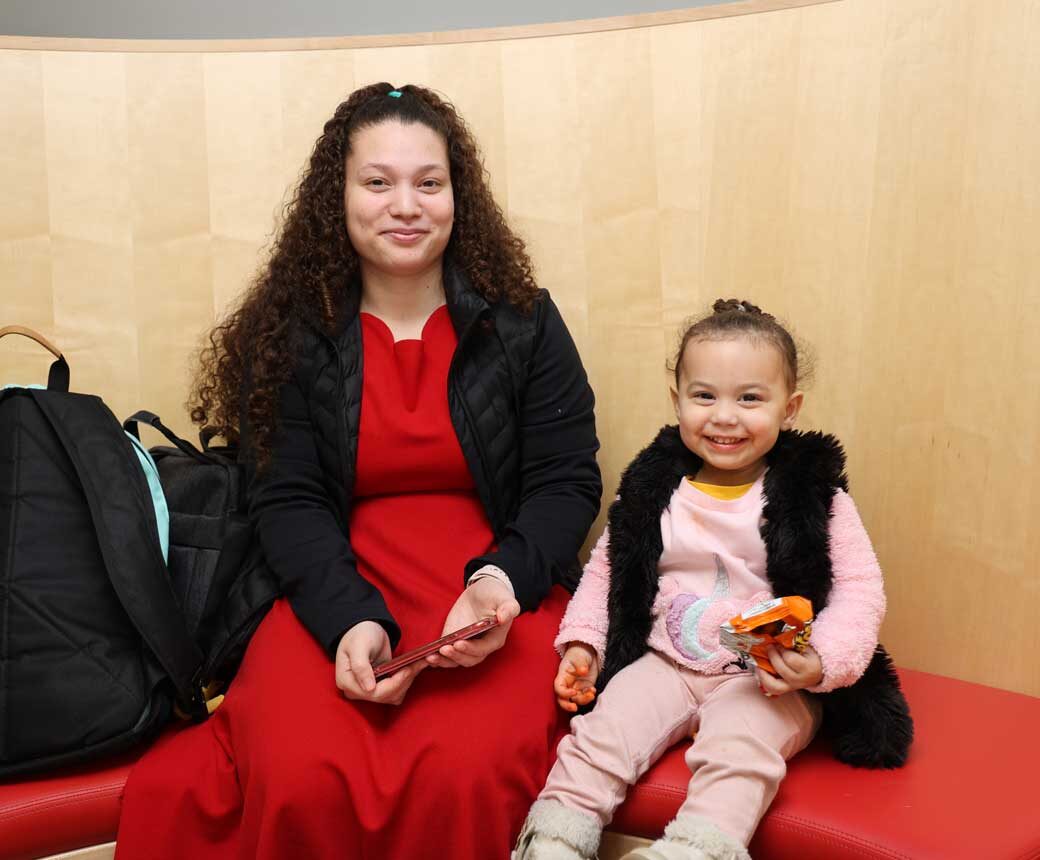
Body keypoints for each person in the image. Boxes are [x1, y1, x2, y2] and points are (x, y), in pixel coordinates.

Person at [115, 82, 601, 859]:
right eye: (378, 182)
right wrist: (350, 618)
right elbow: (287, 499)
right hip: (327, 581)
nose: (404, 204)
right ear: (336, 196)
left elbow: (566, 481)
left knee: (464, 771)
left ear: (457, 195)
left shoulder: (525, 318)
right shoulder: (293, 330)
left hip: (499, 587)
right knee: (301, 770)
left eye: (428, 182)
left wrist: (500, 583)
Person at [513, 300, 913, 860]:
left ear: (789, 407)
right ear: (677, 402)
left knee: (740, 750)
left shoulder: (817, 498)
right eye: (704, 396)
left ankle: (695, 851)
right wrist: (585, 645)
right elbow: (608, 572)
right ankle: (554, 838)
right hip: (665, 660)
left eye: (750, 398)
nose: (725, 416)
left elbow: (860, 593)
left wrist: (819, 660)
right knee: (602, 734)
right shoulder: (653, 490)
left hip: (767, 676)